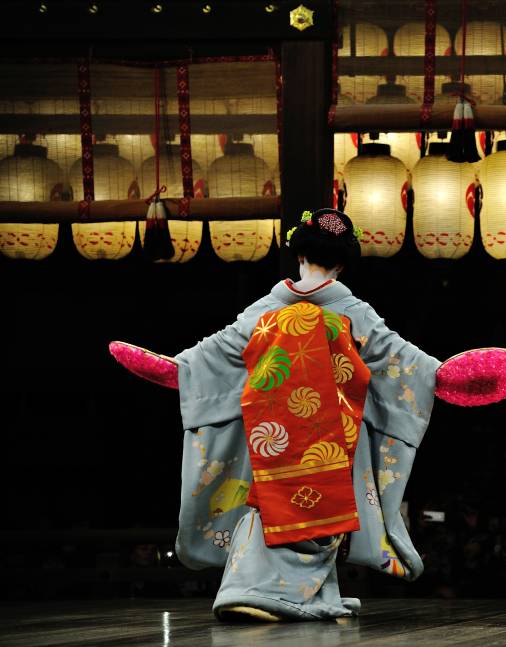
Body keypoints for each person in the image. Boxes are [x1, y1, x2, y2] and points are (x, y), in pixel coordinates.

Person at [170, 208, 440, 621]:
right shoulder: (353, 311)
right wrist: (440, 375)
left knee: (268, 503)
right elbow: (400, 358)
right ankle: (257, 592)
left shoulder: (265, 308)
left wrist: (178, 368)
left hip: (273, 431)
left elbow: (214, 353)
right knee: (323, 512)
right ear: (343, 263)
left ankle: (296, 593)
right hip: (332, 434)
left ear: (298, 255)